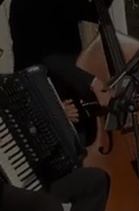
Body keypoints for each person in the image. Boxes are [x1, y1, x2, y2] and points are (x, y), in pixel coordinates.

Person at [9, 0, 114, 145]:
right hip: (46, 100)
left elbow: (94, 12)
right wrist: (91, 82)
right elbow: (46, 55)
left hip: (69, 96)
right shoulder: (26, 4)